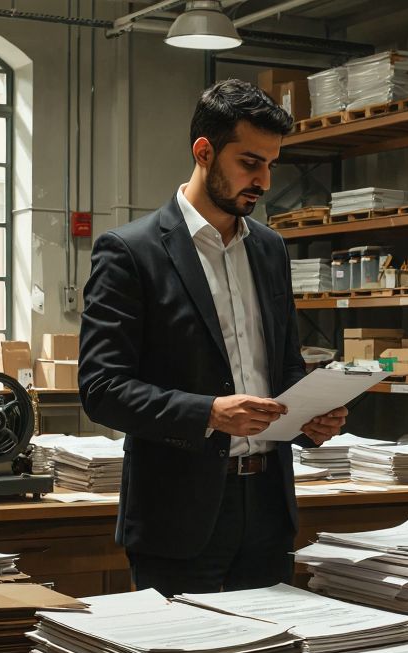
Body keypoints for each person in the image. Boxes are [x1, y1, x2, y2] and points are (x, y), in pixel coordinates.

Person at [79, 79, 347, 595]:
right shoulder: (131, 253)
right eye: (250, 163)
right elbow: (102, 388)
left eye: (271, 164)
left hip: (268, 511)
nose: (264, 181)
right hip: (178, 521)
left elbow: (285, 369)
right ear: (204, 152)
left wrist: (313, 414)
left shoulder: (269, 250)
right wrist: (209, 413)